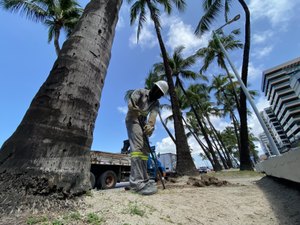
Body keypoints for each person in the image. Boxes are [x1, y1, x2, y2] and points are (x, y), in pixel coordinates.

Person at [125, 80, 168, 195]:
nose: (157, 94)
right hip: (133, 119)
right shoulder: (140, 92)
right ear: (153, 87)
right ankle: (137, 183)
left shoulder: (156, 103)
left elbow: (153, 116)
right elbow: (131, 103)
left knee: (145, 151)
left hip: (142, 122)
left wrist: (150, 126)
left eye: (160, 94)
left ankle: (144, 179)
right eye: (156, 90)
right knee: (138, 148)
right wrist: (133, 108)